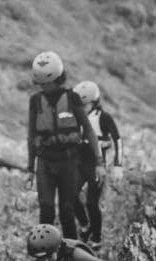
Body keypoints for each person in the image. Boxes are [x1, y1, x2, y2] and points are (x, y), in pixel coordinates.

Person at [26, 51, 103, 242]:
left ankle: (71, 253)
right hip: (45, 162)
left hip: (69, 161)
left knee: (67, 212)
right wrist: (29, 168)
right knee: (46, 209)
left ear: (57, 79)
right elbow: (31, 135)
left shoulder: (72, 99)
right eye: (41, 84)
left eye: (47, 83)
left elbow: (88, 130)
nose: (44, 87)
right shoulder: (35, 102)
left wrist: (99, 161)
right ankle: (45, 253)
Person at [71, 80, 123, 246]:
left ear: (94, 102)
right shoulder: (76, 118)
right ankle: (86, 225)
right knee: (70, 195)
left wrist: (117, 165)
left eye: (83, 105)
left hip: (96, 165)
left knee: (92, 203)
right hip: (79, 163)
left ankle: (97, 238)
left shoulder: (103, 117)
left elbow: (117, 140)